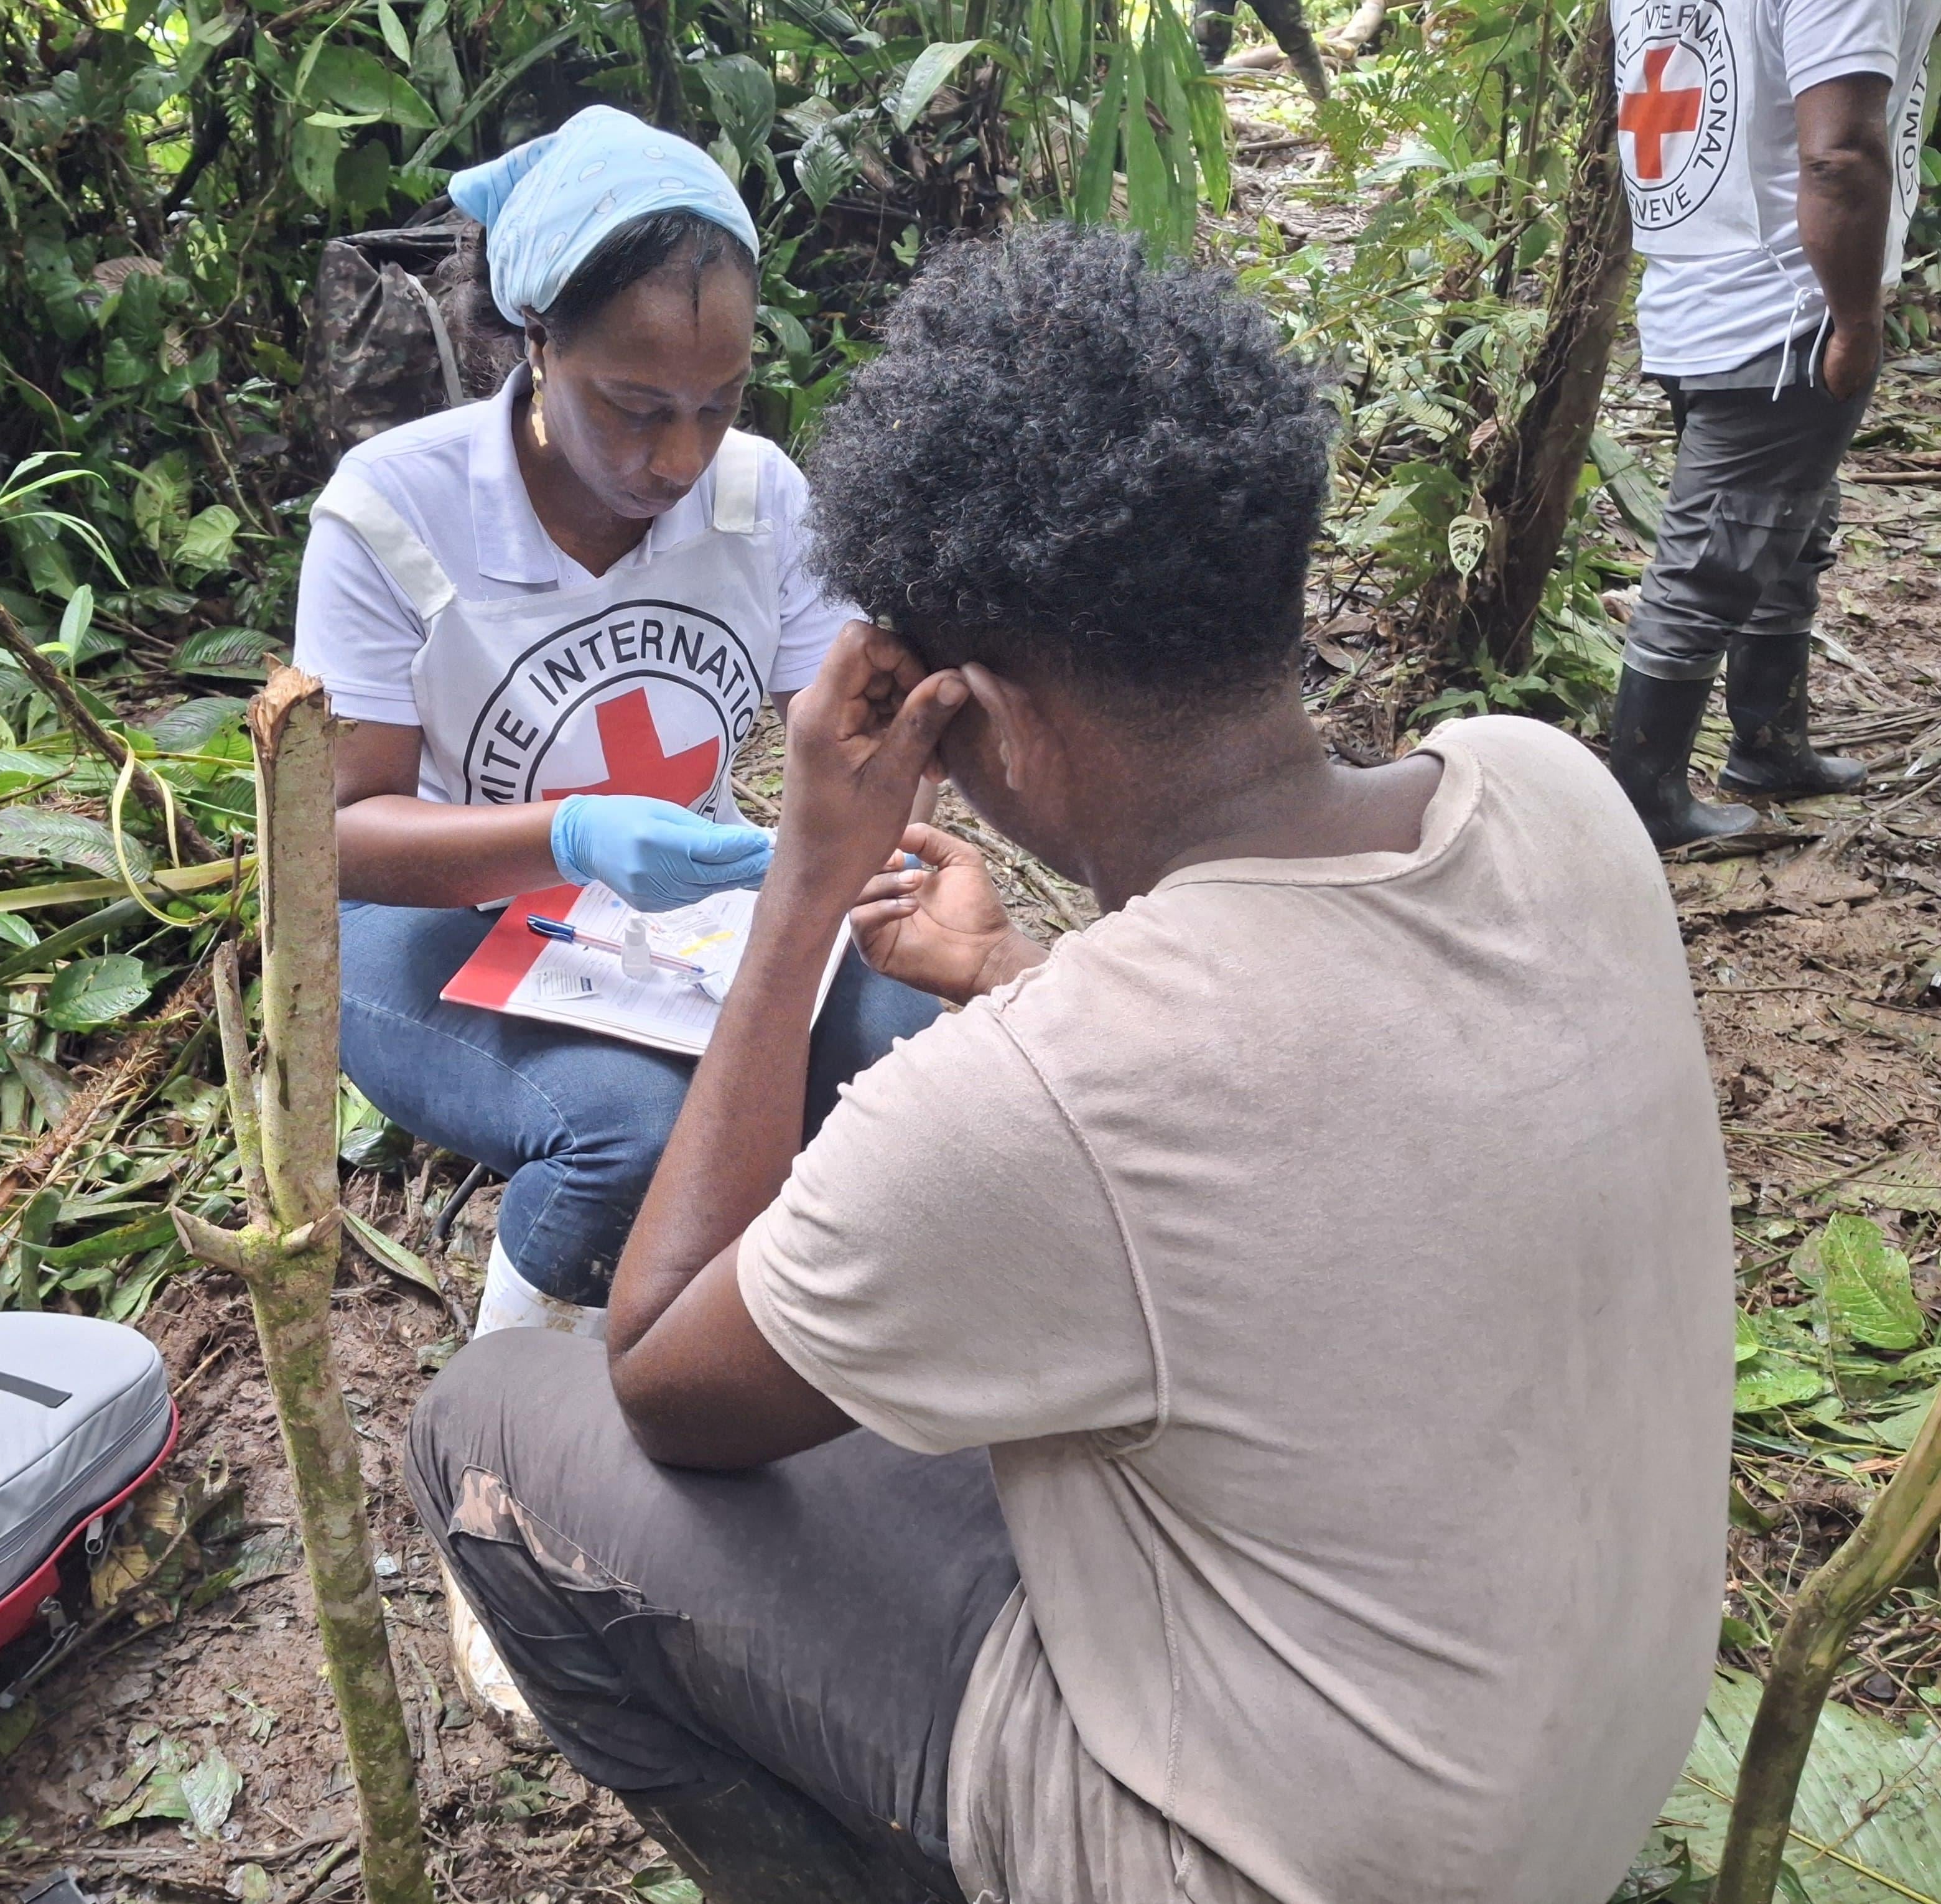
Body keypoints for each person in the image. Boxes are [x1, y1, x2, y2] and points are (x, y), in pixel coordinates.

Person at [405, 225, 1733, 1904]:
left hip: (1277, 1866)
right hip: (1563, 1773)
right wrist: (1015, 970)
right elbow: (1307, 1105)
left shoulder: (1049, 1093)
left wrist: (810, 875)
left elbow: (662, 1375)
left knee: (493, 1425)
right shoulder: (1549, 786)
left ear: (991, 723)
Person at [291, 106, 939, 1340]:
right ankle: (506, 1426)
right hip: (437, 918)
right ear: (537, 343)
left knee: (912, 1049)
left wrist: (861, 799)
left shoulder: (761, 499)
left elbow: (845, 739)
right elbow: (339, 842)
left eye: (720, 400)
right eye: (636, 407)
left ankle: (785, 1354)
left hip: (682, 921)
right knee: (628, 1132)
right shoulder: (394, 511)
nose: (682, 456)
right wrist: (570, 838)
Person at [1607, 0, 1941, 845]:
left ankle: (1769, 741)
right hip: (1784, 313)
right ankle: (1647, 804)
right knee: (1715, 560)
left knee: (1790, 523)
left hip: (1694, 292)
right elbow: (1840, 157)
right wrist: (1859, 323)